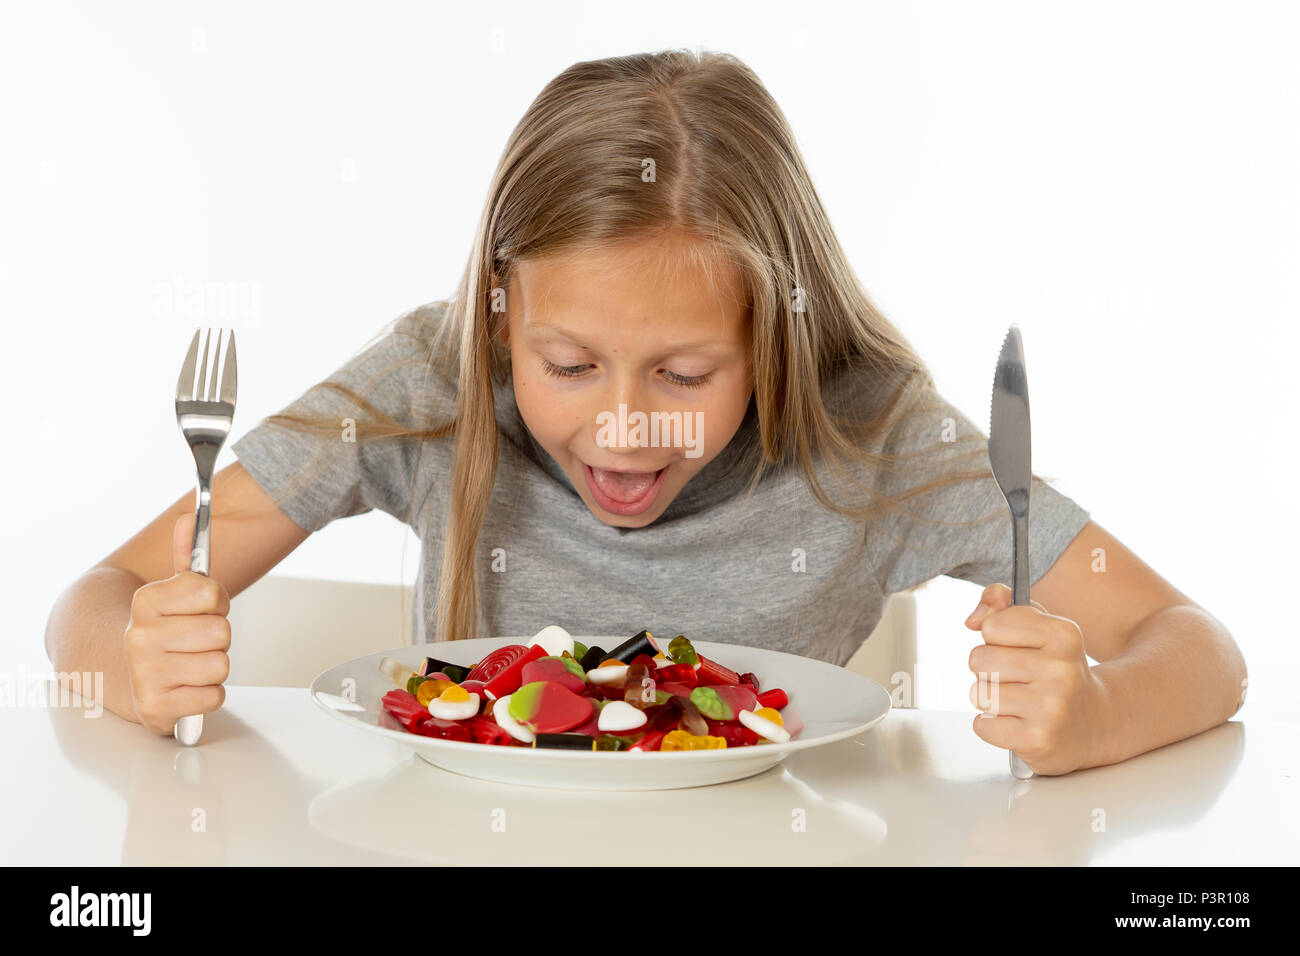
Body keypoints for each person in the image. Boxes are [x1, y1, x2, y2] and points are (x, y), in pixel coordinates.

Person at [45, 49, 1246, 775]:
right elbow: (91, 604)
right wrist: (133, 662)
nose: (626, 430)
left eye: (684, 375)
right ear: (503, 316)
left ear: (776, 333)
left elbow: (1198, 647)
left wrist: (1093, 714)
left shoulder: (872, 435)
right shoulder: (429, 381)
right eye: (569, 364)